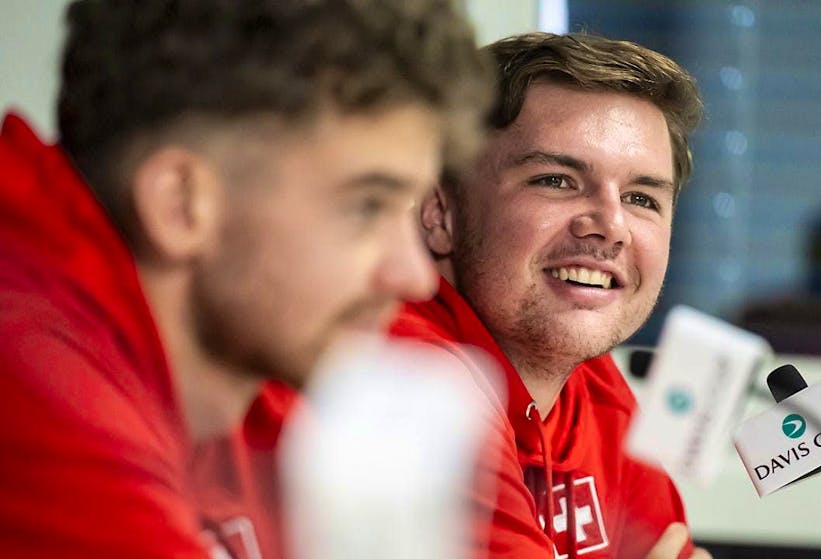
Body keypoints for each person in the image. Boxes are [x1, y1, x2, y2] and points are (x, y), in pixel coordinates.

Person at [0, 1, 490, 557]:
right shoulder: (30, 382)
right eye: (367, 207)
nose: (416, 278)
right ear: (182, 204)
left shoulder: (250, 364)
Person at [390, 32, 709, 559]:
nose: (611, 226)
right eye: (556, 180)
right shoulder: (406, 380)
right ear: (440, 213)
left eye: (640, 198)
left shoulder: (593, 385)